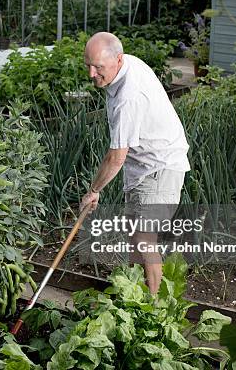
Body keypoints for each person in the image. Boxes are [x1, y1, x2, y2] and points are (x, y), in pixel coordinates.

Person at [79, 32, 190, 294]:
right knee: (134, 237)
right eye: (88, 66)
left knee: (144, 238)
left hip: (159, 167)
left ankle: (153, 310)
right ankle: (135, 299)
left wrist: (93, 191)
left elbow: (115, 156)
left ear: (117, 60)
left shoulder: (129, 96)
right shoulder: (124, 64)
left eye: (98, 68)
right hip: (143, 167)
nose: (91, 74)